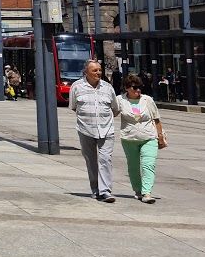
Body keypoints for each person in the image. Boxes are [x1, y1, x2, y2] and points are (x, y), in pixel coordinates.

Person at [69, 59, 119, 202]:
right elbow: (73, 106)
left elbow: (115, 109)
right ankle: (95, 189)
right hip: (86, 129)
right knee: (91, 160)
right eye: (95, 70)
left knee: (105, 159)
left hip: (106, 129)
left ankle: (105, 191)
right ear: (86, 72)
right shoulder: (76, 86)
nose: (98, 73)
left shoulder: (108, 87)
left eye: (99, 70)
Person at [114, 73, 165, 203]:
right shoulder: (120, 100)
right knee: (133, 166)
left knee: (148, 165)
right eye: (134, 87)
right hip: (129, 138)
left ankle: (147, 192)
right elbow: (112, 113)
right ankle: (138, 190)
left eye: (139, 87)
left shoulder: (147, 100)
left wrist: (160, 136)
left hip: (149, 137)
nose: (138, 90)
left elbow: (156, 119)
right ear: (126, 88)